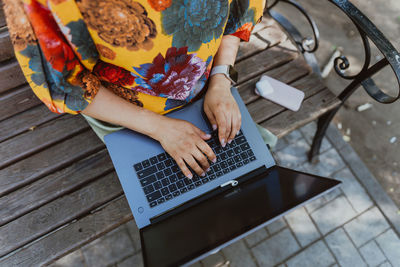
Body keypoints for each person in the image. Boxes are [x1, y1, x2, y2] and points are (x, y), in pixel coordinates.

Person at [4, 0, 275, 179]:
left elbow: (241, 12)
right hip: (127, 113)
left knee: (245, 176)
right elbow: (67, 85)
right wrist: (160, 128)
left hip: (209, 87)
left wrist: (220, 79)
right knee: (170, 200)